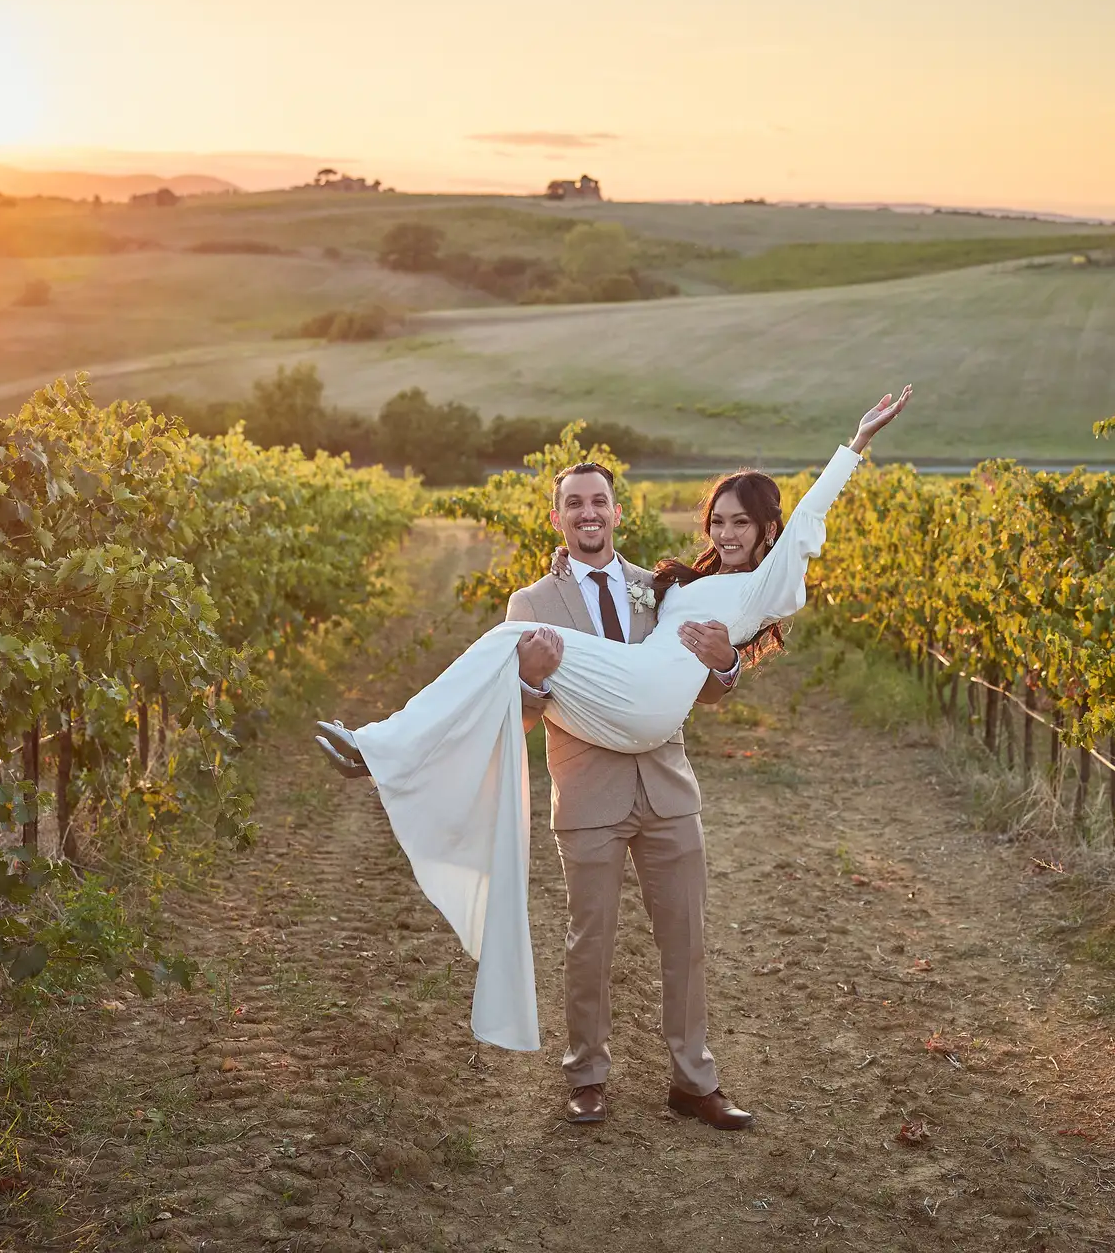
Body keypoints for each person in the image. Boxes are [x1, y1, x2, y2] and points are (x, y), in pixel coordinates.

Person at [314, 385, 913, 1122]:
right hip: (591, 787)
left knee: (685, 942)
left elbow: (721, 671)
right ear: (560, 517)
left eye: (600, 502)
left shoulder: (660, 589)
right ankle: (586, 1078)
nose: (589, 514)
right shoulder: (534, 602)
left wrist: (729, 659)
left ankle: (695, 1082)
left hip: (661, 767)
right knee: (587, 942)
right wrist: (532, 684)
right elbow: (528, 717)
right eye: (575, 505)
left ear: (617, 511)